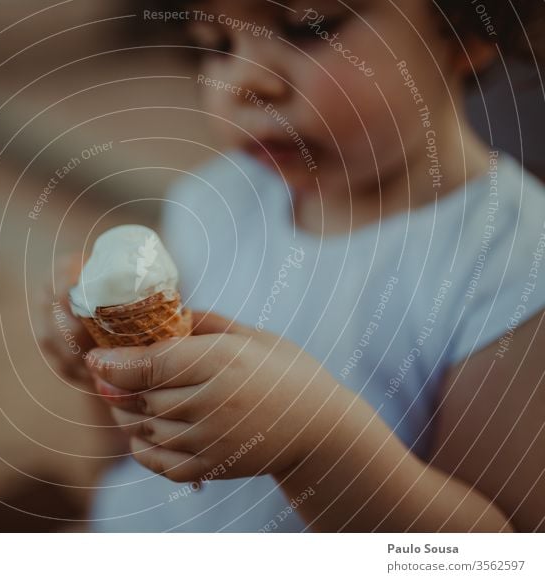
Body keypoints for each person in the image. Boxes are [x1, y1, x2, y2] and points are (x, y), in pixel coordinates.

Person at [42, 0, 545, 531]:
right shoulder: (213, 199)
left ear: (467, 31)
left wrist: (314, 446)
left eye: (311, 27)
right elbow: (131, 451)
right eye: (217, 45)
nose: (245, 82)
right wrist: (101, 360)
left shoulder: (512, 266)